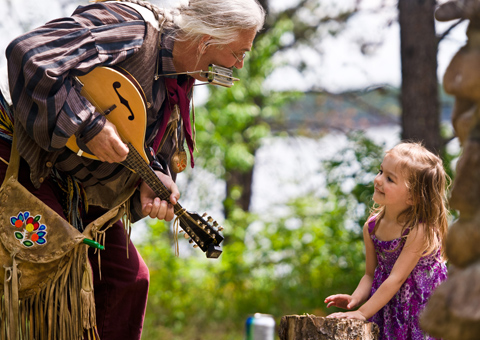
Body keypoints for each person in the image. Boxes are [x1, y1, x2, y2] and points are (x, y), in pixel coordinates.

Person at [0, 0, 265, 339]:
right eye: (238, 53)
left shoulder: (179, 85)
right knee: (54, 259)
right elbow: (29, 52)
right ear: (206, 42)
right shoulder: (130, 31)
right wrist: (89, 126)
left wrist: (150, 181)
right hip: (23, 157)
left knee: (130, 278)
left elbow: (140, 147)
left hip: (81, 189)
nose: (239, 65)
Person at [324, 142, 449, 340]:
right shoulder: (372, 228)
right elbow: (369, 274)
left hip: (422, 309)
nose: (378, 180)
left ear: (413, 197)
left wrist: (363, 313)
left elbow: (396, 278)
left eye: (390, 179)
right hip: (389, 306)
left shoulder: (419, 230)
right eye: (381, 172)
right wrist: (355, 300)